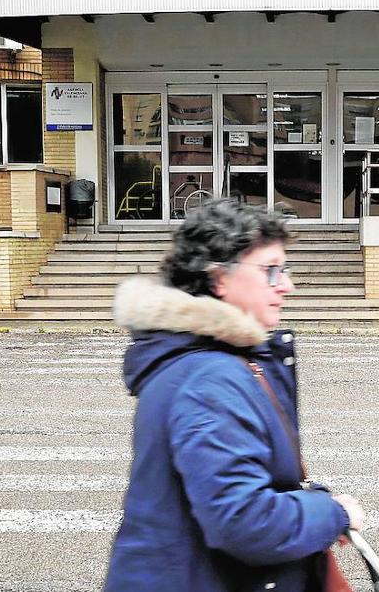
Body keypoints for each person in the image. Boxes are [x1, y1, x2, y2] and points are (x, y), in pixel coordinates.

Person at [104, 198, 365, 592]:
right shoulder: (210, 378)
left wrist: (313, 507)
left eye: (285, 269)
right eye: (270, 271)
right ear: (220, 278)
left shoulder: (218, 359)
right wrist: (332, 513)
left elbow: (245, 481)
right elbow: (244, 521)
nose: (287, 285)